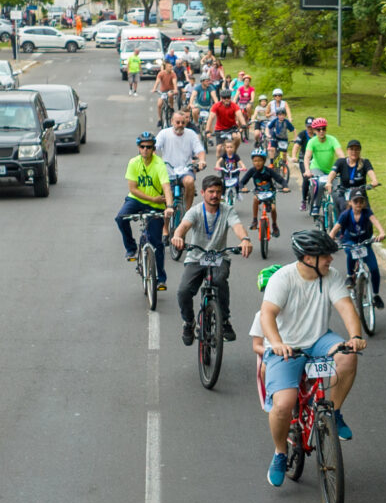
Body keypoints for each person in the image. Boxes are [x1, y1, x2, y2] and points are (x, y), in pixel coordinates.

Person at [257, 229, 367, 486]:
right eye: (325, 255)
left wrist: (354, 336)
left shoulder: (331, 276)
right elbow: (267, 314)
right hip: (286, 347)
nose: (330, 259)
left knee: (348, 356)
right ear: (308, 258)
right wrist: (277, 343)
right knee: (283, 405)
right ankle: (280, 453)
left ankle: (334, 412)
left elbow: (346, 307)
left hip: (318, 340)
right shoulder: (283, 278)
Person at [170, 173, 247, 346]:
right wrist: (177, 236)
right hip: (196, 257)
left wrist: (245, 240)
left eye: (218, 192)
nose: (215, 195)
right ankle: (188, 322)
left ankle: (224, 320)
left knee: (219, 281)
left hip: (218, 257)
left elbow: (238, 226)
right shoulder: (195, 211)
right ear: (203, 193)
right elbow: (183, 226)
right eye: (211, 192)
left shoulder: (227, 210)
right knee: (183, 291)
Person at [117, 132, 172, 273]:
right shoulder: (133, 163)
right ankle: (131, 248)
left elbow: (166, 186)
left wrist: (169, 206)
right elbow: (133, 189)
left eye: (149, 147)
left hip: (156, 205)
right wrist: (152, 198)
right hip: (136, 200)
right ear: (138, 148)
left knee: (157, 243)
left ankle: (161, 278)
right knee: (120, 218)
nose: (145, 149)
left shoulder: (159, 164)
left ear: (153, 148)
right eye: (142, 147)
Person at [329, 188, 384, 308]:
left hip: (364, 243)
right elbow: (335, 229)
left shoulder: (367, 212)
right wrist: (330, 238)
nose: (358, 204)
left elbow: (375, 221)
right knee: (351, 251)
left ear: (364, 203)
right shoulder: (346, 214)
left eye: (361, 201)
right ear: (350, 202)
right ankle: (350, 276)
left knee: (374, 269)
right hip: (350, 241)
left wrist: (381, 232)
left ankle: (376, 295)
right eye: (355, 201)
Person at [154, 108, 207, 212]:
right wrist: (155, 161)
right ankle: (165, 221)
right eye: (177, 122)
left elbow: (200, 150)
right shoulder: (164, 133)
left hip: (185, 170)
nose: (180, 125)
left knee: (190, 182)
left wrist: (202, 160)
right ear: (172, 122)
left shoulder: (191, 134)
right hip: (167, 171)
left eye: (183, 122)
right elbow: (154, 148)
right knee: (164, 198)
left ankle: (187, 213)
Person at [300, 117, 345, 213]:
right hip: (317, 168)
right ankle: (316, 205)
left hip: (331, 170)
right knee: (320, 184)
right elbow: (307, 157)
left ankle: (338, 216)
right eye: (318, 129)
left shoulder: (332, 140)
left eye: (323, 129)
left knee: (336, 192)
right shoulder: (312, 141)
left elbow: (341, 155)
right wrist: (307, 170)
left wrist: (344, 168)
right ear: (314, 131)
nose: (321, 131)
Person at [239, 149, 284, 236]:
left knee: (273, 208)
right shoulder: (252, 171)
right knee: (255, 199)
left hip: (270, 192)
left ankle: (274, 225)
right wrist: (242, 187)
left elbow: (280, 179)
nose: (257, 163)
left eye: (260, 160)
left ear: (264, 161)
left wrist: (285, 186)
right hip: (259, 192)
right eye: (255, 161)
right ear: (252, 161)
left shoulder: (269, 171)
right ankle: (254, 220)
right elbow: (242, 182)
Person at [332, 138, 378, 202]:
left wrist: (374, 180)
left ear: (360, 151)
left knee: (366, 208)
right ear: (347, 150)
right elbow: (333, 172)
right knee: (342, 205)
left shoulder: (365, 162)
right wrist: (329, 182)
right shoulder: (341, 162)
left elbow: (370, 171)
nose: (354, 152)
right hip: (344, 192)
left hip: (360, 194)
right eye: (351, 149)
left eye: (357, 150)